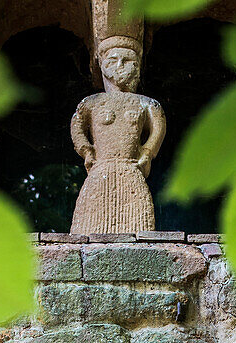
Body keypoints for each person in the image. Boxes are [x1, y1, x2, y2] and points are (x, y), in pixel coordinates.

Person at [70, 35, 166, 234]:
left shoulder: (146, 103)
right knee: (90, 222)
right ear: (102, 65)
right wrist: (87, 151)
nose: (120, 65)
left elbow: (158, 127)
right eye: (113, 60)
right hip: (100, 170)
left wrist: (147, 152)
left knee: (138, 220)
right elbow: (77, 126)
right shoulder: (92, 102)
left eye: (127, 61)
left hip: (131, 168)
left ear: (137, 67)